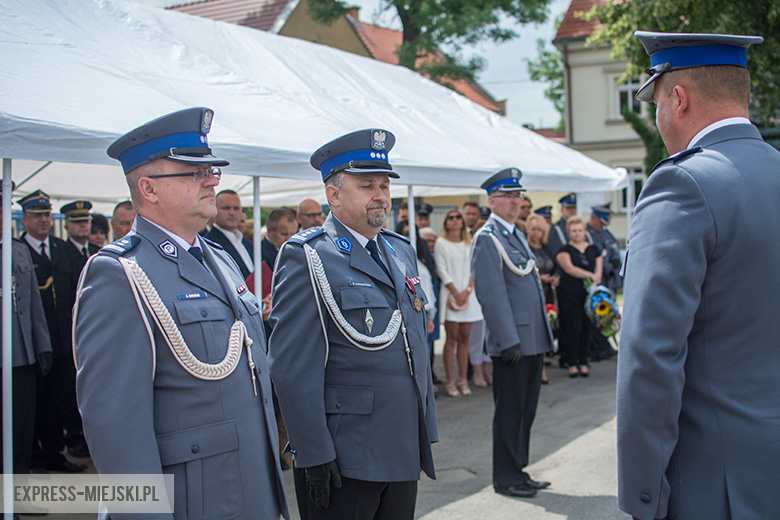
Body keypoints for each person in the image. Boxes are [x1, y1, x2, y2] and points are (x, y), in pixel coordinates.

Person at [73, 107, 288, 520]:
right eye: (194, 172)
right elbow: (115, 427)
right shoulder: (120, 274)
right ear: (149, 189)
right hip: (197, 501)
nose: (211, 180)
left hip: (253, 491)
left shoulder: (219, 258)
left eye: (211, 171)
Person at [617, 31, 780, 520]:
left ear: (678, 98)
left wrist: (643, 496)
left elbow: (650, 355)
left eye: (656, 102)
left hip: (714, 483)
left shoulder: (683, 182)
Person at [269, 128, 437, 520]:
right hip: (346, 453)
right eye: (367, 185)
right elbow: (293, 366)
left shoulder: (399, 250)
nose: (380, 194)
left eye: (383, 184)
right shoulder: (307, 256)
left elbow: (413, 346)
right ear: (334, 195)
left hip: (400, 440)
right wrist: (312, 451)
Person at [471, 168, 553, 498]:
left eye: (519, 196)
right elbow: (491, 295)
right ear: (492, 201)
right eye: (509, 196)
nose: (517, 201)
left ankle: (518, 469)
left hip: (531, 338)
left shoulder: (515, 234)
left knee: (526, 410)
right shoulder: (488, 238)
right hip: (513, 342)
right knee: (509, 412)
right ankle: (505, 477)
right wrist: (508, 340)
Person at [18, 189, 86, 472]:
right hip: (33, 341)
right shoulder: (17, 250)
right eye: (37, 215)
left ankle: (56, 452)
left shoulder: (62, 249)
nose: (43, 220)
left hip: (64, 339)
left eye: (46, 215)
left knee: (61, 397)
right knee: (36, 402)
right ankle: (35, 456)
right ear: (24, 219)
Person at [0, 183, 53, 475]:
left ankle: (14, 496)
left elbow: (33, 304)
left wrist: (42, 345)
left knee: (20, 429)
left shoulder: (17, 251)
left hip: (21, 355)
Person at [434, 209, 482, 397]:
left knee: (465, 338)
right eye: (450, 218)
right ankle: (450, 380)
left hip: (468, 294)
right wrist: (456, 292)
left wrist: (468, 291)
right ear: (446, 222)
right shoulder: (441, 243)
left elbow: (474, 268)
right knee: (452, 339)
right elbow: (442, 269)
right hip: (451, 294)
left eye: (457, 218)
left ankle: (463, 379)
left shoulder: (469, 242)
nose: (454, 221)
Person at [555, 216, 601, 378]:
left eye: (580, 230)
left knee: (587, 327)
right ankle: (572, 362)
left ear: (584, 232)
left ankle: (584, 361)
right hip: (570, 294)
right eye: (574, 231)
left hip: (588, 295)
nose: (577, 233)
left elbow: (598, 270)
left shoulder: (593, 249)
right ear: (569, 233)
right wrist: (590, 275)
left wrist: (596, 279)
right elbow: (569, 269)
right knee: (573, 328)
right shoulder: (564, 250)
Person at [525, 213, 559, 385]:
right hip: (532, 293)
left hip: (548, 293)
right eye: (533, 229)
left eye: (539, 230)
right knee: (533, 330)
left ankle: (542, 369)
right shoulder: (525, 248)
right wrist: (540, 279)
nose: (536, 233)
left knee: (546, 330)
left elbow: (556, 266)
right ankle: (532, 370)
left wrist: (554, 277)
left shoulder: (546, 248)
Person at [204, 189, 254, 278]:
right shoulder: (208, 244)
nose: (232, 213)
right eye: (226, 208)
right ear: (214, 210)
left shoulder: (249, 244)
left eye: (236, 208)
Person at [586, 203, 621, 292]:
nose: (604, 226)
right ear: (593, 218)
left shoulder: (605, 233)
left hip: (609, 279)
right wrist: (608, 267)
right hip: (596, 278)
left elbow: (613, 250)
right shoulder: (585, 234)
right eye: (601, 223)